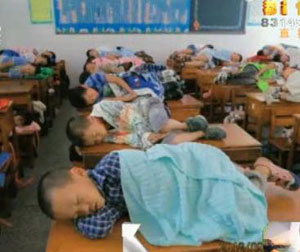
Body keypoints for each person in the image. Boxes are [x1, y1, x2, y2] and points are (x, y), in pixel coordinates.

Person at [37, 143, 300, 245]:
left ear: (80, 172)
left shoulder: (112, 165)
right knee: (227, 207)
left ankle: (262, 166)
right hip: (191, 190)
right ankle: (257, 171)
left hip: (192, 165)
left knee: (239, 204)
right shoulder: (106, 203)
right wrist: (80, 214)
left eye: (79, 201)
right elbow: (97, 229)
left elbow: (155, 173)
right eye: (77, 215)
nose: (86, 210)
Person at [66, 98, 226, 149]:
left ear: (91, 119)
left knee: (160, 126)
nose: (99, 138)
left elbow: (133, 118)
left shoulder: (103, 107)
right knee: (164, 145)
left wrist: (148, 134)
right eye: (95, 141)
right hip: (147, 129)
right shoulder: (107, 136)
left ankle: (187, 125)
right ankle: (202, 133)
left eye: (95, 134)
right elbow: (130, 139)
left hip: (148, 108)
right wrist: (149, 140)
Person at [69, 64, 166, 109]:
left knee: (141, 79)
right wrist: (128, 97)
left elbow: (116, 79)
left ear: (85, 87)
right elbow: (112, 100)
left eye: (90, 95)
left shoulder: (93, 79)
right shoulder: (95, 103)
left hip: (123, 81)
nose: (94, 97)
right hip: (120, 93)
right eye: (91, 100)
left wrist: (130, 91)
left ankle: (161, 76)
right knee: (143, 96)